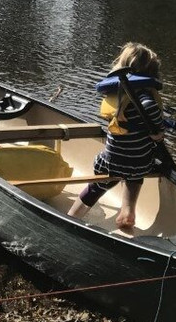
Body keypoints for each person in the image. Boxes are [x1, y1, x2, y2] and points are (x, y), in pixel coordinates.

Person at [67, 41, 166, 230]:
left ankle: (72, 216)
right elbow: (157, 129)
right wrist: (158, 133)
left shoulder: (117, 96)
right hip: (139, 162)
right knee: (135, 177)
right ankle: (128, 212)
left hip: (113, 161)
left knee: (95, 187)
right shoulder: (146, 100)